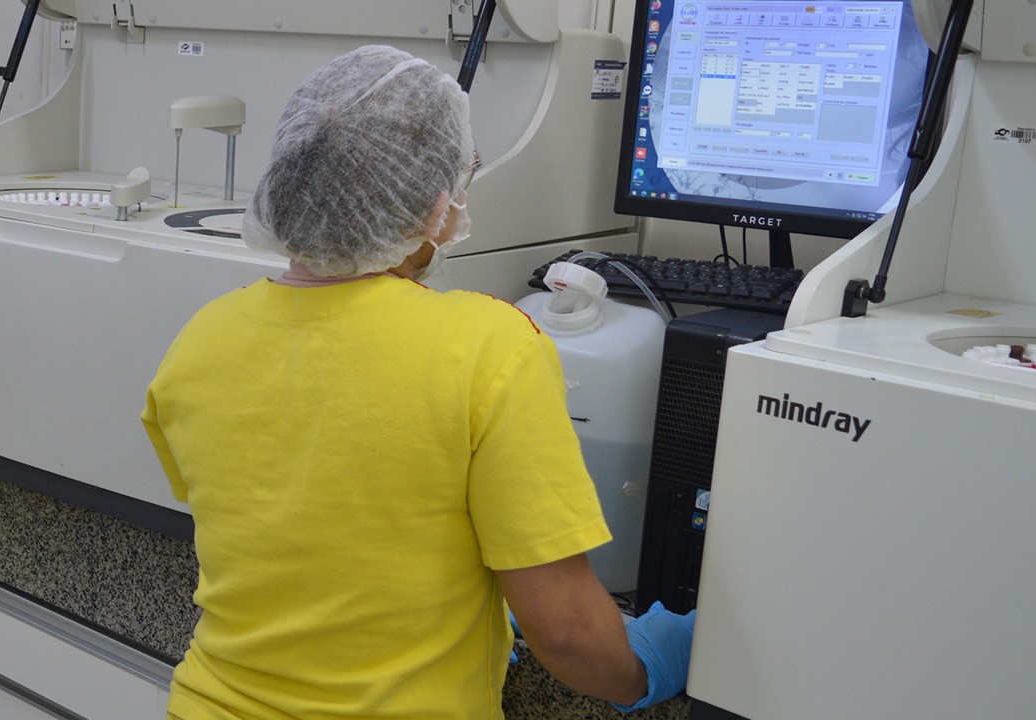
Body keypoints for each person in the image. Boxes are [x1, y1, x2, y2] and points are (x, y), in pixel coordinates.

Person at [140, 46, 695, 720]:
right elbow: (570, 635)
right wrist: (642, 670)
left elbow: (296, 535)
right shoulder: (490, 347)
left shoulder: (201, 338)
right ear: (434, 205)